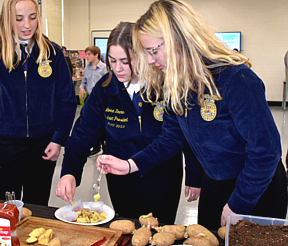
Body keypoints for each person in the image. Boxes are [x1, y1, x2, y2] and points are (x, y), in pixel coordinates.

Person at [98, 0, 287, 230]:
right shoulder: (175, 84)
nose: (149, 60)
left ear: (179, 39)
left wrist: (239, 203)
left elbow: (266, 152)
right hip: (215, 185)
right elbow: (170, 139)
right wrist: (130, 165)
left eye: (153, 51)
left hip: (257, 188)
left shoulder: (236, 79)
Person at [56, 22, 200, 224]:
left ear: (141, 56)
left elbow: (180, 136)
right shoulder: (105, 89)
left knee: (159, 232)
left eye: (125, 61)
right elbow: (82, 134)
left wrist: (194, 174)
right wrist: (69, 172)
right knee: (127, 230)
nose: (117, 68)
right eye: (112, 60)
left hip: (161, 175)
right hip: (120, 178)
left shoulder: (166, 86)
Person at [0, 0, 77, 205]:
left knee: (37, 205)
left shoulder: (53, 53)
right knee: (5, 206)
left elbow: (66, 100)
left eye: (32, 17)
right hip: (5, 146)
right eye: (19, 19)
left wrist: (58, 139)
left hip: (43, 145)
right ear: (7, 20)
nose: (27, 25)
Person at [79, 45, 107, 155]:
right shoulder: (87, 68)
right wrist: (81, 88)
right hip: (90, 99)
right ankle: (96, 146)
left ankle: (105, 147)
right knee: (91, 123)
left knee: (102, 124)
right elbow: (84, 82)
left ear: (96, 55)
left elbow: (108, 83)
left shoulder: (104, 68)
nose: (87, 56)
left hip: (102, 100)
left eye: (89, 54)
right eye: (86, 54)